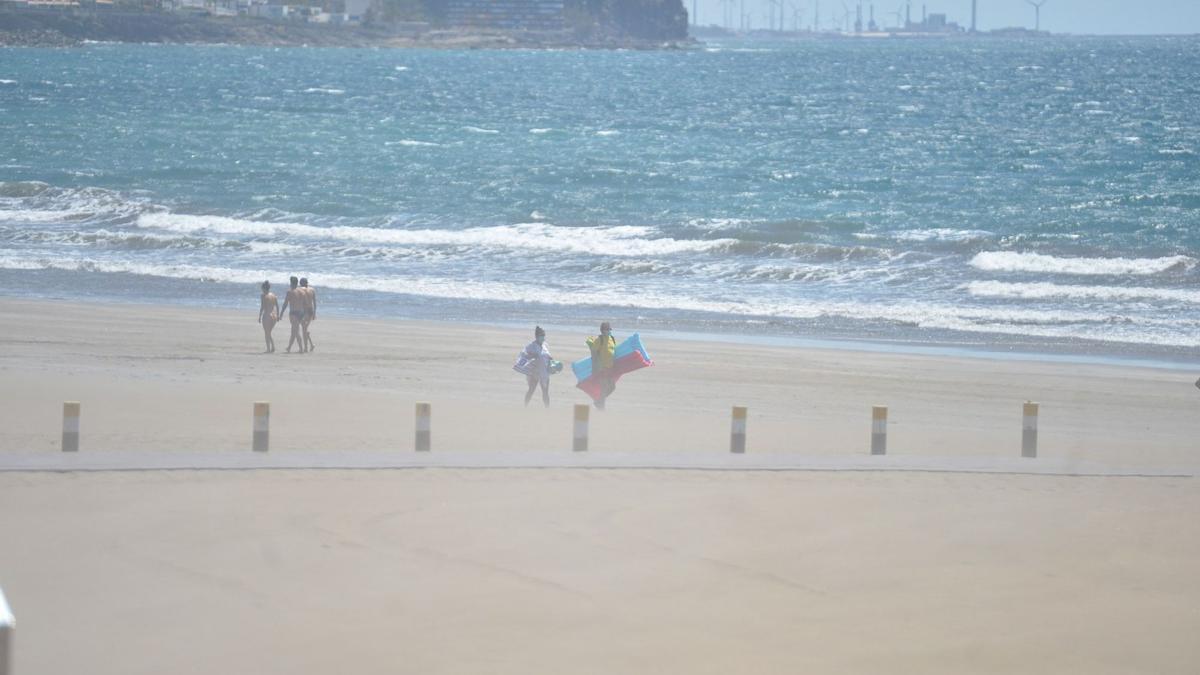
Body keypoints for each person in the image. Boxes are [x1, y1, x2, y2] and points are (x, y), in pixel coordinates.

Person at [586, 321, 616, 409]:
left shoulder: (612, 339)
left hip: (610, 368)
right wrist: (594, 368)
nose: (609, 331)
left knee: (612, 387)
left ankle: (598, 402)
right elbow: (594, 353)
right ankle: (601, 408)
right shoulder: (600, 340)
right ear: (602, 330)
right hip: (602, 368)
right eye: (607, 330)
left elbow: (614, 351)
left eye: (609, 330)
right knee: (604, 389)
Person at [522, 326, 552, 408]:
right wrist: (532, 356)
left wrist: (551, 360)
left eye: (543, 335)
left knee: (545, 392)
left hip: (545, 372)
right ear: (537, 336)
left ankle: (547, 409)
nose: (543, 337)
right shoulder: (531, 346)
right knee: (531, 390)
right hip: (534, 372)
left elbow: (548, 356)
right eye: (541, 335)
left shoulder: (545, 345)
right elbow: (524, 356)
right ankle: (525, 407)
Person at [277, 276, 306, 354]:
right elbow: (304, 303)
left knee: (296, 332)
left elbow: (285, 303)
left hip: (293, 313)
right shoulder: (302, 291)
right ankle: (289, 347)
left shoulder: (290, 292)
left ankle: (301, 349)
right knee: (293, 331)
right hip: (301, 312)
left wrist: (281, 313)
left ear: (291, 283)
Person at [257, 281, 280, 353]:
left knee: (267, 333)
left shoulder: (263, 296)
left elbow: (262, 307)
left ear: (264, 288)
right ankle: (273, 347)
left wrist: (260, 316)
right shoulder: (273, 295)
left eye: (262, 288)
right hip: (274, 315)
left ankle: (268, 349)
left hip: (267, 315)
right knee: (268, 333)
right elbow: (277, 306)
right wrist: (278, 315)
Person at [299, 277, 317, 353]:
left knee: (304, 329)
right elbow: (315, 302)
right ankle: (311, 345)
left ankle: (306, 348)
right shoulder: (312, 290)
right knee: (305, 328)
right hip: (311, 310)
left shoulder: (300, 290)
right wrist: (314, 313)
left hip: (304, 311)